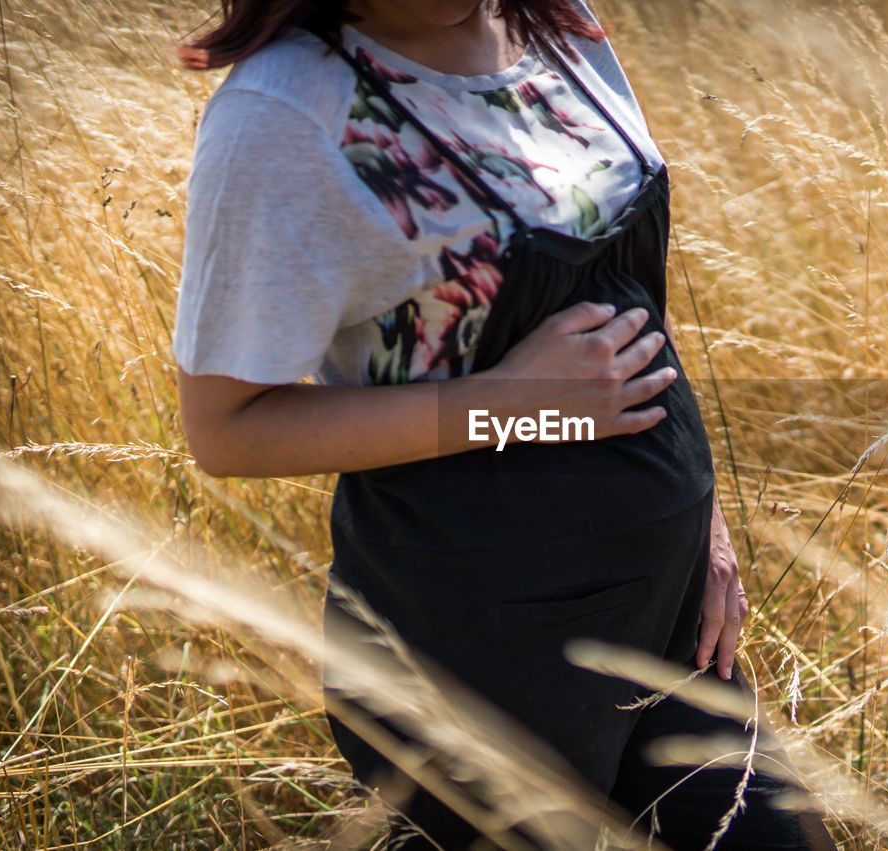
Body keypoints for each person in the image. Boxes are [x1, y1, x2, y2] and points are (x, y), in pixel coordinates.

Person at [172, 0, 835, 847]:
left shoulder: (557, 22)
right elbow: (227, 429)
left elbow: (625, 297)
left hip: (668, 620)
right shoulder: (283, 114)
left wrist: (702, 526)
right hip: (483, 645)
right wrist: (508, 407)